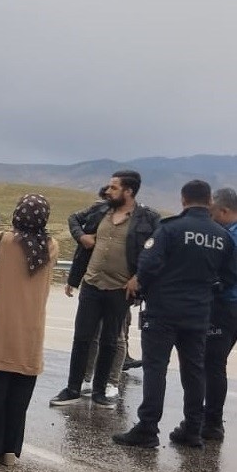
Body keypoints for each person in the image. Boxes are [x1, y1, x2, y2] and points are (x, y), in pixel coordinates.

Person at [114, 180, 237, 448]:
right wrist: (205, 292)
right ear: (209, 202)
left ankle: (148, 428)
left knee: (156, 368)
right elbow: (229, 277)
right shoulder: (222, 236)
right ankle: (193, 429)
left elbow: (148, 265)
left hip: (163, 312)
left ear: (183, 200)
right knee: (193, 371)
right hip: (199, 314)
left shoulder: (170, 229)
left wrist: (141, 285)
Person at [51, 170, 160, 407]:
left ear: (128, 191)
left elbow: (157, 251)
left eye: (113, 187)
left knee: (110, 341)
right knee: (82, 338)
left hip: (120, 290)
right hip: (92, 284)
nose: (108, 190)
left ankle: (100, 390)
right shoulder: (100, 210)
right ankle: (73, 388)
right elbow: (73, 219)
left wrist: (139, 277)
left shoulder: (148, 219)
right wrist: (81, 237)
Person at [0, 194, 59, 466]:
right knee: (18, 397)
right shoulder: (51, 245)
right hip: (30, 332)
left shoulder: (2, 239)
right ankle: (8, 452)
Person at [199, 187, 237, 442]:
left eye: (213, 212)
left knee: (213, 363)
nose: (210, 218)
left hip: (226, 306)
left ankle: (212, 423)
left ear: (224, 210)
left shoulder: (228, 238)